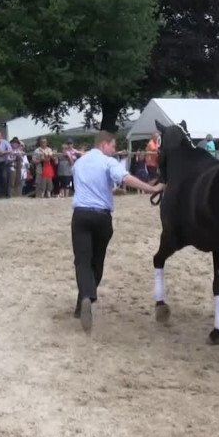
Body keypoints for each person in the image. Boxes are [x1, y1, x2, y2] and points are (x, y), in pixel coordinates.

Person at [71, 131, 165, 333]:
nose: (114, 150)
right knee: (97, 261)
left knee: (82, 261)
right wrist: (151, 189)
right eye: (113, 146)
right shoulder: (107, 162)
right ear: (104, 144)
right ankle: (86, 299)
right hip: (102, 216)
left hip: (80, 215)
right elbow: (126, 178)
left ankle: (84, 298)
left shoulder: (79, 163)